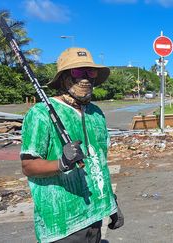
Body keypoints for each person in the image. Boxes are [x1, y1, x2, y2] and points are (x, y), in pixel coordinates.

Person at [20, 47, 124, 243]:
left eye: (90, 72)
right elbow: (28, 166)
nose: (85, 78)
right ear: (63, 78)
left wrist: (111, 201)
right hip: (62, 223)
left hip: (95, 215)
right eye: (77, 72)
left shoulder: (96, 113)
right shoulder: (41, 114)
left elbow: (99, 163)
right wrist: (61, 163)